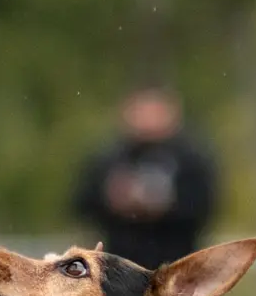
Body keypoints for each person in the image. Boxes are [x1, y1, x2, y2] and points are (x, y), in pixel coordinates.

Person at [72, 88, 220, 271]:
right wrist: (113, 199)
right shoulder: (110, 158)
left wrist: (165, 205)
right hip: (121, 268)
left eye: (155, 113)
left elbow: (207, 206)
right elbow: (82, 204)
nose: (148, 121)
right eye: (142, 112)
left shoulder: (189, 158)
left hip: (177, 267)